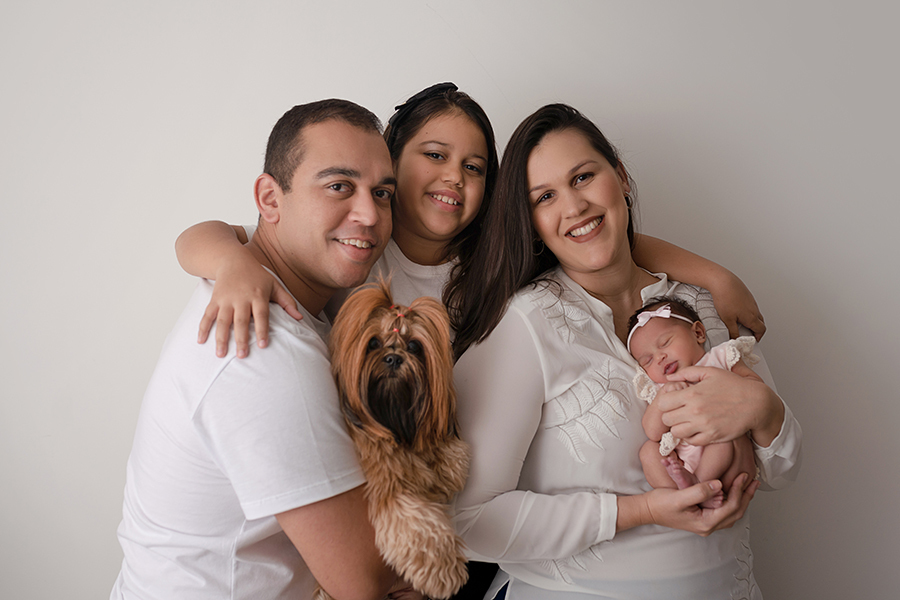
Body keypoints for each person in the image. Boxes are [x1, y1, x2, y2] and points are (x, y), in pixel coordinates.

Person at [448, 104, 802, 599]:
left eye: (584, 177)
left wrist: (764, 410)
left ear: (621, 177)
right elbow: (463, 520)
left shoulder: (704, 305)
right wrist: (640, 511)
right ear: (530, 222)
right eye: (545, 196)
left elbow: (782, 470)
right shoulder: (522, 326)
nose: (573, 206)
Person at [174, 84, 767, 362]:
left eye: (475, 167)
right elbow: (207, 236)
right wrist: (231, 265)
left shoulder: (497, 258)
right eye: (434, 156)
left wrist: (714, 276)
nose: (454, 178)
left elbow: (610, 240)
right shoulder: (351, 248)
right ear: (389, 158)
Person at [111, 99, 412, 600]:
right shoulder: (262, 350)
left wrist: (229, 258)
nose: (370, 214)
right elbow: (363, 584)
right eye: (339, 186)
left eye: (382, 193)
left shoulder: (256, 268)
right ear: (270, 199)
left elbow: (212, 235)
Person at [627, 296, 761, 509]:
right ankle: (681, 500)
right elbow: (653, 432)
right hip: (683, 465)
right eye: (648, 360)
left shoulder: (720, 359)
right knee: (648, 451)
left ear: (698, 333)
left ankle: (699, 485)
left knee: (724, 434)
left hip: (730, 460)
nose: (660, 357)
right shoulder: (661, 389)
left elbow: (756, 390)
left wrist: (725, 387)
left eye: (665, 343)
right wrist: (662, 399)